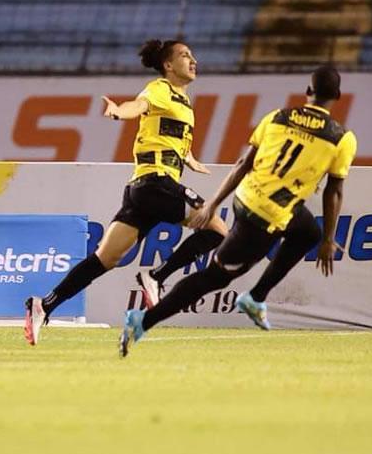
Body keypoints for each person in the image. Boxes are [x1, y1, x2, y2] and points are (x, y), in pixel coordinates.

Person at [119, 66, 357, 356]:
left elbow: (243, 164)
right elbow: (334, 191)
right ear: (338, 96)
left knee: (308, 232)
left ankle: (256, 297)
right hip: (265, 216)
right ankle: (143, 321)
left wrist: (214, 203)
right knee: (215, 278)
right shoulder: (342, 138)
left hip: (247, 198)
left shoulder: (277, 117)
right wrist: (330, 239)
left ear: (308, 91)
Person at [23, 39, 227, 345]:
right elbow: (139, 106)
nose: (193, 60)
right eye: (185, 55)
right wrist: (119, 110)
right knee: (218, 230)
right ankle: (156, 277)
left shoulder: (183, 102)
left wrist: (189, 158)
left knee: (105, 258)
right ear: (168, 65)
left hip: (141, 191)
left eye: (192, 55)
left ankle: (44, 305)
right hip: (156, 182)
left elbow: (169, 136)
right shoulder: (159, 89)